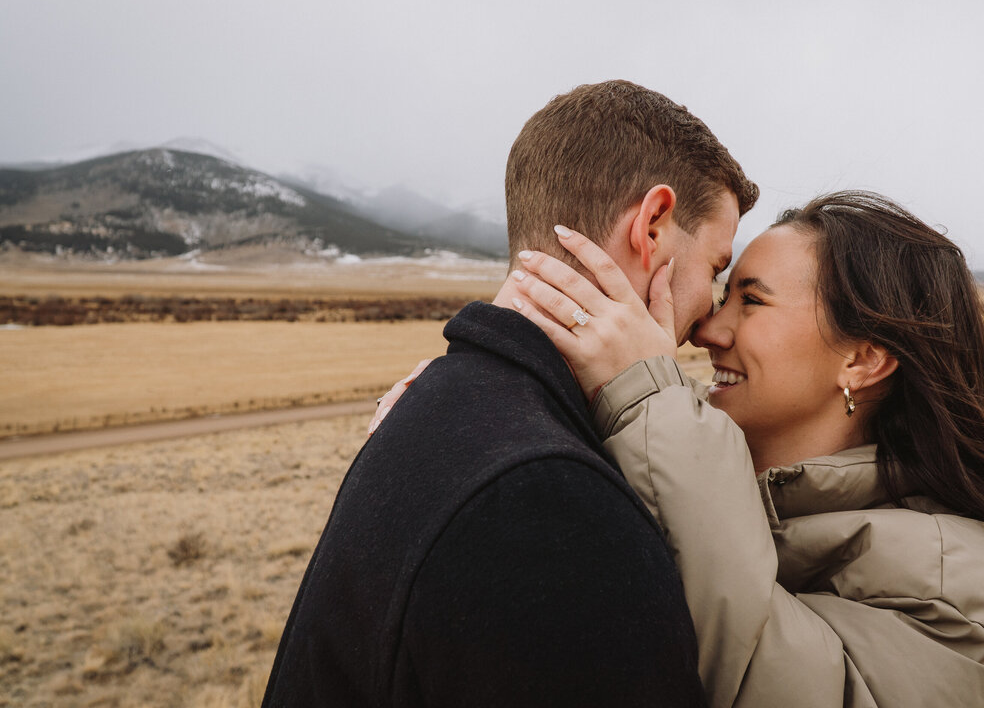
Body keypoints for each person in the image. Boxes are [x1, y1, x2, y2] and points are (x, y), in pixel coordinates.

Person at [497, 191, 984, 707]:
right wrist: (479, 391)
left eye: (750, 302)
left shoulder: (960, 584)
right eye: (724, 293)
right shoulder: (706, 457)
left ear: (864, 359)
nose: (707, 328)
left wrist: (643, 395)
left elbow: (762, 674)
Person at [261, 80, 759, 707]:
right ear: (652, 226)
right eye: (715, 269)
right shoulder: (550, 502)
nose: (708, 320)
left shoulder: (438, 405)